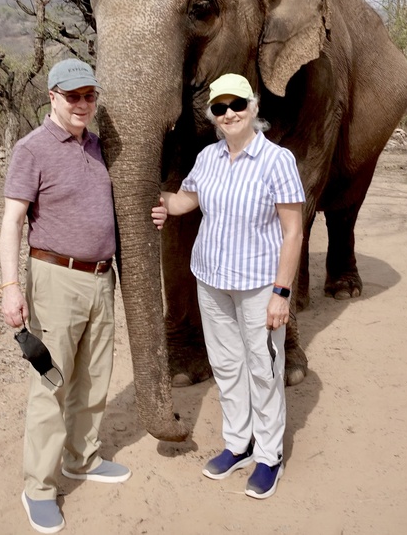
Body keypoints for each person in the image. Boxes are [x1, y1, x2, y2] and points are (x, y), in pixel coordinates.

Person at [151, 73, 305, 500]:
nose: (229, 113)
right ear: (213, 116)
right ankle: (239, 443)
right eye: (220, 108)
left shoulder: (278, 161)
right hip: (212, 280)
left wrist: (282, 293)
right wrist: (159, 202)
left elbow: (293, 232)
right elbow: (187, 201)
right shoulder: (209, 158)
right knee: (227, 365)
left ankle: (269, 455)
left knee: (263, 366)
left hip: (259, 285)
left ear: (254, 107)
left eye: (237, 104)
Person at [0, 58, 130, 534]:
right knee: (52, 382)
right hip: (55, 277)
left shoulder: (99, 147)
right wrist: (11, 287)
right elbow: (12, 222)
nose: (82, 104)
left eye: (89, 96)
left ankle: (82, 458)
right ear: (52, 96)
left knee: (95, 377)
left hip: (101, 277)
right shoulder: (32, 149)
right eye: (72, 96)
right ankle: (38, 487)